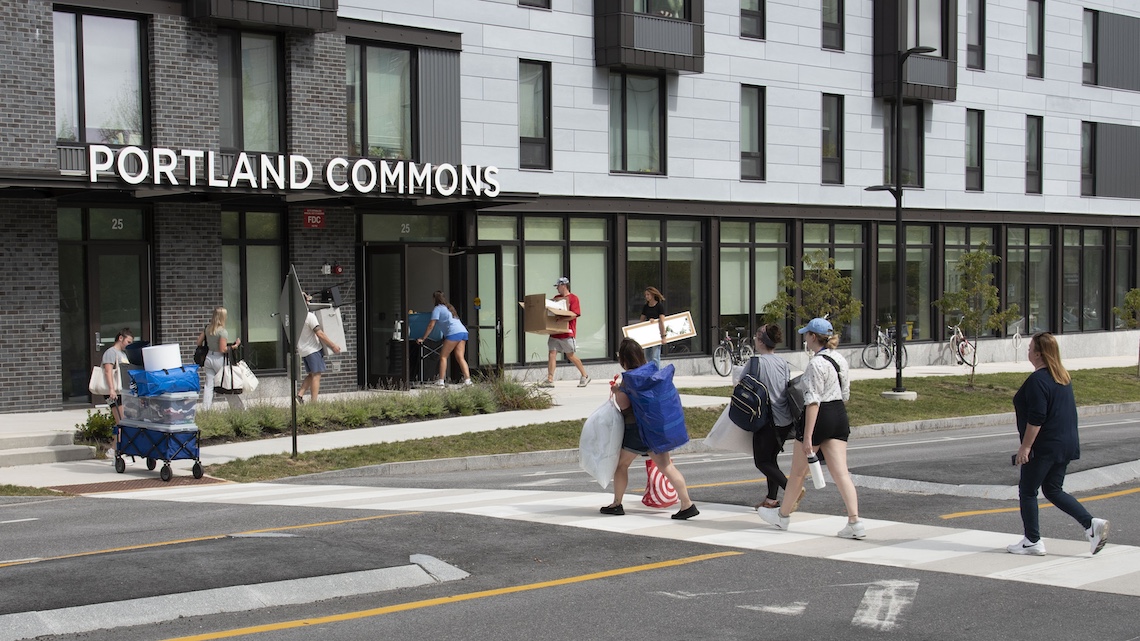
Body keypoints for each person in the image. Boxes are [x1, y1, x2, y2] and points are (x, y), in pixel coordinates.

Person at [758, 317, 864, 539]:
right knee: (841, 473)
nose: (805, 338)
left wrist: (807, 436)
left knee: (798, 473)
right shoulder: (838, 359)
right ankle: (854, 522)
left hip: (818, 415)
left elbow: (813, 400)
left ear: (813, 337)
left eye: (806, 334)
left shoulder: (816, 363)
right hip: (838, 415)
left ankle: (783, 517)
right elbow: (845, 394)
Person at [1007, 332, 1109, 556]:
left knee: (1027, 491)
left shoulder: (1037, 380)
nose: (1028, 351)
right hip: (1065, 443)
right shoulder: (1063, 377)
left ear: (1038, 353)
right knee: (1052, 489)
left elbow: (1037, 417)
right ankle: (1091, 525)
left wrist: (1025, 447)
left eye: (1030, 347)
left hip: (1045, 446)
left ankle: (1032, 540)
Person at [599, 338, 698, 519]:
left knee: (621, 465)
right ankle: (687, 504)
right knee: (667, 466)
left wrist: (617, 392)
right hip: (655, 430)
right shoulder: (651, 372)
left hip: (636, 432)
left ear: (624, 360)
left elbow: (624, 405)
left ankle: (617, 503)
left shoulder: (630, 379)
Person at [739, 323, 800, 511]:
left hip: (765, 420)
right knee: (771, 460)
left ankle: (791, 490)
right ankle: (771, 500)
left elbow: (741, 383)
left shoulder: (755, 363)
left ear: (760, 341)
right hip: (784, 419)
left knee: (762, 461)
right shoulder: (783, 363)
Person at [541, 276, 590, 388]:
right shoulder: (556, 298)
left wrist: (562, 319)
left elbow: (574, 314)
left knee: (570, 355)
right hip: (555, 332)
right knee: (552, 354)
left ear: (564, 285)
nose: (557, 288)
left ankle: (585, 375)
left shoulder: (573, 298)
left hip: (567, 332)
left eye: (558, 286)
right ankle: (550, 379)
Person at [417, 291, 473, 387]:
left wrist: (423, 338)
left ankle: (441, 381)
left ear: (434, 299)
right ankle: (468, 381)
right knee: (460, 357)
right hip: (463, 332)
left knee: (443, 357)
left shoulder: (437, 309)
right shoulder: (449, 307)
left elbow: (431, 325)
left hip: (453, 333)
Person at [295, 293, 343, 404]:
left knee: (311, 374)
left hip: (303, 350)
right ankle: (314, 403)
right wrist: (333, 345)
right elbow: (320, 334)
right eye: (308, 300)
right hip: (313, 350)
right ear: (305, 302)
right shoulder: (309, 316)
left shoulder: (296, 317)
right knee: (316, 375)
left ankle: (299, 396)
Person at [197, 307, 243, 411]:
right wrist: (235, 346)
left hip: (208, 358)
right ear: (223, 317)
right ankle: (238, 409)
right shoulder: (222, 332)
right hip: (219, 359)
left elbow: (198, 342)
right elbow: (223, 349)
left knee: (209, 385)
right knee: (227, 383)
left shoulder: (207, 328)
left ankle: (206, 410)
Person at [101, 328, 133, 423]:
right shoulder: (111, 352)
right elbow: (108, 371)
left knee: (123, 421)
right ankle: (118, 437)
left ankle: (118, 437)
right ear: (120, 338)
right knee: (121, 420)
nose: (129, 344)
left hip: (121, 391)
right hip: (114, 391)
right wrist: (111, 389)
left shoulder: (123, 354)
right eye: (128, 342)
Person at [639, 286, 667, 369]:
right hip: (648, 333)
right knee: (647, 355)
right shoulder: (646, 307)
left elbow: (662, 321)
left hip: (657, 333)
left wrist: (663, 336)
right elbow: (641, 320)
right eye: (646, 295)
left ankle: (657, 374)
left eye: (648, 294)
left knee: (655, 356)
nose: (646, 296)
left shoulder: (659, 306)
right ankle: (652, 371)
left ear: (653, 295)